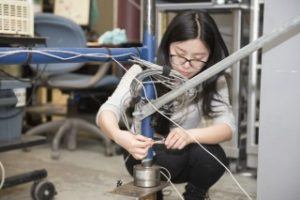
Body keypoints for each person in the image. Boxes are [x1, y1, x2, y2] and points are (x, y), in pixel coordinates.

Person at [96, 10, 235, 200]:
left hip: (187, 152)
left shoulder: (213, 76)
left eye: (198, 58)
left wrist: (189, 135)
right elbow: (108, 110)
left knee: (213, 157)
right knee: (164, 161)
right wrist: (119, 136)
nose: (187, 65)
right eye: (180, 54)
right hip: (146, 154)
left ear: (210, 55)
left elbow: (228, 128)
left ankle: (196, 194)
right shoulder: (144, 69)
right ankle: (154, 193)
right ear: (167, 45)